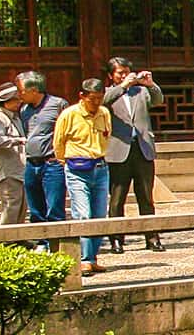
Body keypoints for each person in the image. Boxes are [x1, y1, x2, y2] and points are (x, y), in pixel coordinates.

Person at [104, 58, 164, 253]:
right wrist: (122, 85)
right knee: (117, 198)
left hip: (142, 149)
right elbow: (103, 103)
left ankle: (152, 237)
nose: (124, 75)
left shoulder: (141, 92)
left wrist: (151, 84)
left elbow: (158, 100)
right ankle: (116, 239)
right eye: (119, 73)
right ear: (111, 75)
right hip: (118, 150)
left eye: (127, 72)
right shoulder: (108, 93)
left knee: (146, 196)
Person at [56, 78, 114, 275]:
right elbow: (59, 142)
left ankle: (93, 256)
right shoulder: (69, 115)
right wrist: (66, 162)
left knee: (99, 215)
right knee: (83, 214)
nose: (97, 102)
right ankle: (84, 259)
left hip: (100, 166)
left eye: (100, 98)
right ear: (82, 96)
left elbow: (107, 135)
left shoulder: (104, 113)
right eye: (93, 99)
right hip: (77, 169)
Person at [16, 72, 69, 229]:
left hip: (52, 163)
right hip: (31, 164)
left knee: (54, 207)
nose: (19, 95)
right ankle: (41, 242)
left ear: (33, 90)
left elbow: (67, 132)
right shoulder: (24, 109)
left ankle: (57, 244)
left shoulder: (58, 104)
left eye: (21, 91)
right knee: (35, 209)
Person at [0, 84, 29, 226]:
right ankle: (7, 239)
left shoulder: (14, 117)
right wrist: (19, 141)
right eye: (15, 100)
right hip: (6, 170)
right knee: (11, 205)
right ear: (6, 102)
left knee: (21, 205)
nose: (18, 103)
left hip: (18, 168)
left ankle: (18, 239)